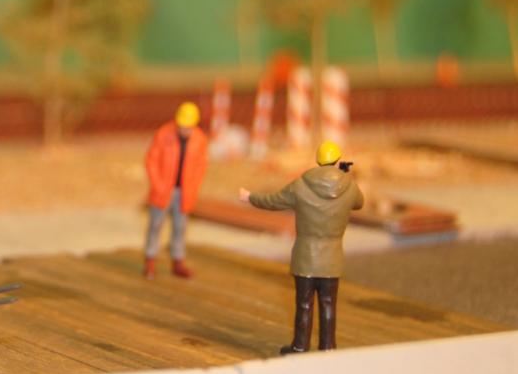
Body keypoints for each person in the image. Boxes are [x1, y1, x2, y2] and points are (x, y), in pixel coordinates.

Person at [239, 141, 364, 354]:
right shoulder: (350, 187)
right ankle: (328, 347)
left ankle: (300, 345)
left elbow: (273, 201)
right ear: (338, 161)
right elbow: (359, 202)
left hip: (306, 257)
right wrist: (345, 176)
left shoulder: (300, 185)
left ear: (318, 160)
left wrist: (250, 197)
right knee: (328, 304)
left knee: (304, 304)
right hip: (332, 259)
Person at [142, 101, 208, 280]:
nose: (184, 129)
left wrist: (193, 187)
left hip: (184, 192)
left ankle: (178, 261)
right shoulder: (164, 134)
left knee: (180, 227)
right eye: (182, 125)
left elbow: (201, 166)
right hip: (163, 190)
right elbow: (151, 161)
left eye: (188, 126)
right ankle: (150, 260)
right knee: (155, 225)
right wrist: (158, 184)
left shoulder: (200, 140)